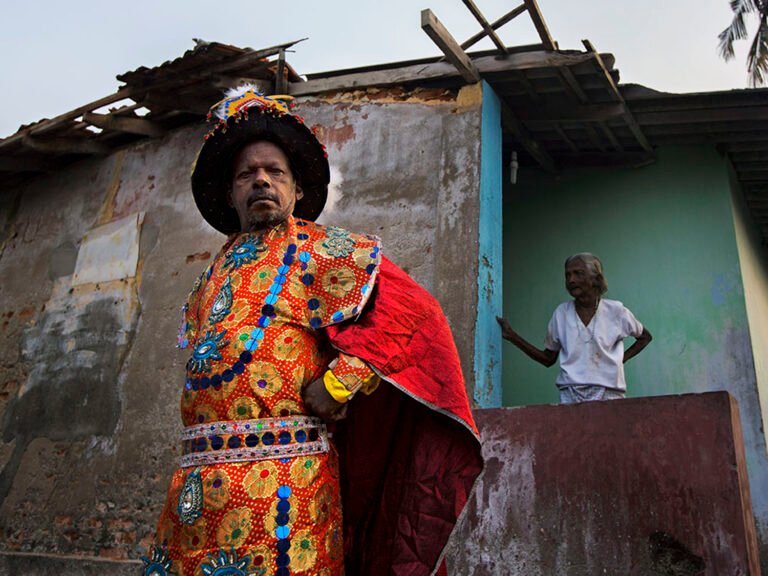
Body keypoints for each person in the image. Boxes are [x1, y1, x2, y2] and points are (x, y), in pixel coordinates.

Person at [141, 86, 482, 576]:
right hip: (196, 488)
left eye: (274, 171)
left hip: (287, 482)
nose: (260, 180)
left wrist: (340, 381)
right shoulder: (210, 273)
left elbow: (414, 318)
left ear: (297, 189)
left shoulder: (324, 249)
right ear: (230, 191)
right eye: (246, 174)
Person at [497, 253, 652, 404]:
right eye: (567, 275)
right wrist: (512, 336)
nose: (571, 280)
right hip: (570, 394)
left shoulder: (616, 311)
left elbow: (645, 337)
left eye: (579, 274)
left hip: (609, 393)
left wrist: (619, 360)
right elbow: (548, 359)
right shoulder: (561, 313)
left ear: (596, 279)